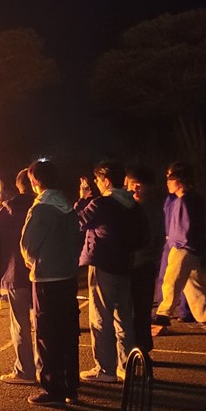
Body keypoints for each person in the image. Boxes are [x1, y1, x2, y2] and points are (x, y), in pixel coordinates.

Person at [20, 160, 84, 407]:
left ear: (35, 181)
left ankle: (52, 387)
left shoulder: (41, 208)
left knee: (47, 333)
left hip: (46, 277)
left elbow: (28, 244)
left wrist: (31, 261)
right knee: (68, 332)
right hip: (68, 276)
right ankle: (70, 385)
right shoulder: (68, 206)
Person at [75, 161, 145, 383]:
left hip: (102, 264)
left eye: (97, 180)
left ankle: (105, 369)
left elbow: (77, 221)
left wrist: (84, 197)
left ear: (105, 180)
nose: (96, 184)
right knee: (124, 317)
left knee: (100, 318)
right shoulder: (133, 205)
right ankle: (126, 366)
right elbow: (143, 236)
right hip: (125, 264)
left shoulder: (101, 204)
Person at [153, 162, 206, 334]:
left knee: (170, 281)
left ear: (179, 182)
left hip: (182, 248)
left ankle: (163, 315)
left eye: (171, 180)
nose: (167, 183)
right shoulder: (194, 198)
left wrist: (176, 244)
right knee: (193, 284)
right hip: (193, 248)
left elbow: (182, 229)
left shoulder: (183, 202)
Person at [0, 169, 38, 385]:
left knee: (20, 322)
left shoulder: (6, 211)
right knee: (39, 321)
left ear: (18, 185)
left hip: (15, 272)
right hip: (40, 272)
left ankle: (25, 369)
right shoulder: (41, 207)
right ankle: (43, 365)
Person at [125, 166, 164, 352]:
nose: (126, 189)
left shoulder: (135, 210)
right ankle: (144, 347)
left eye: (128, 185)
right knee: (143, 309)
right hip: (148, 265)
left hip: (134, 266)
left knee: (131, 310)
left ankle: (134, 350)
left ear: (137, 186)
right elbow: (160, 239)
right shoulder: (157, 207)